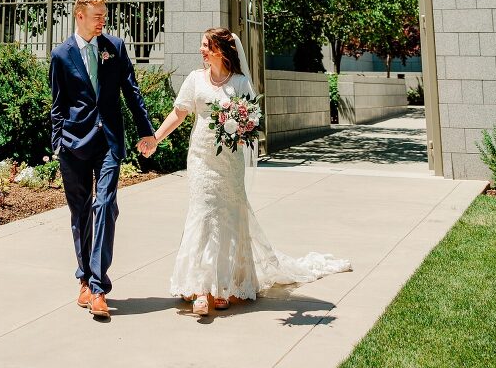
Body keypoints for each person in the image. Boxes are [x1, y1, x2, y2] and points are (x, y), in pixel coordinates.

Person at [142, 27, 351, 317]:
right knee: (203, 214)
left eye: (207, 45)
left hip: (229, 161)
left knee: (228, 217)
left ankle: (226, 285)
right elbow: (179, 114)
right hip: (201, 159)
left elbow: (251, 122)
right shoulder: (194, 80)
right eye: (202, 45)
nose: (201, 49)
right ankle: (202, 289)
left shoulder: (240, 83)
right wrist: (155, 138)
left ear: (221, 50)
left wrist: (239, 129)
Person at [50, 0, 157, 320]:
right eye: (97, 15)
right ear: (79, 16)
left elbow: (131, 91)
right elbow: (57, 105)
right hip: (74, 142)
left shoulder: (115, 47)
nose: (103, 20)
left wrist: (146, 131)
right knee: (80, 213)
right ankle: (84, 278)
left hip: (109, 140)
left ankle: (98, 287)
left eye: (104, 14)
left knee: (105, 204)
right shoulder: (61, 55)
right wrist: (57, 144)